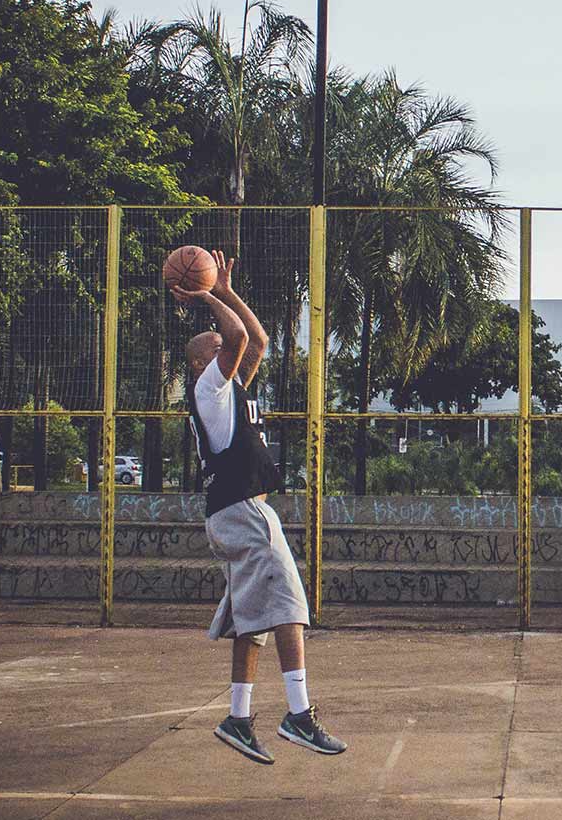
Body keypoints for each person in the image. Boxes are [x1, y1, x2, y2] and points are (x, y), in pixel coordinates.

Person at [175, 251, 346, 765]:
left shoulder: (232, 388)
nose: (220, 337)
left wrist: (224, 290)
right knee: (290, 608)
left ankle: (238, 718)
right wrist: (203, 293)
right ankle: (297, 715)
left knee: (253, 622)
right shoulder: (209, 388)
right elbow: (240, 339)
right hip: (242, 512)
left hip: (235, 511)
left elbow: (258, 338)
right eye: (213, 340)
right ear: (204, 360)